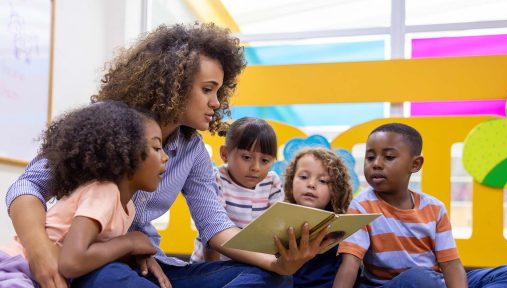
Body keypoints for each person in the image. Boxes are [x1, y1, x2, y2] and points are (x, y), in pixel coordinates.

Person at [5, 23, 331, 288]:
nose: (217, 102)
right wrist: (41, 252)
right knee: (109, 278)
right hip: (98, 262)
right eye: (207, 89)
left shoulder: (192, 149)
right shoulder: (107, 125)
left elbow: (216, 227)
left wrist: (277, 262)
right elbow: (27, 186)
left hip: (149, 262)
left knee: (275, 279)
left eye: (219, 90)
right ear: (172, 85)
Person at [0, 102, 170, 288]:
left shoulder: (127, 207)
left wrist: (133, 252)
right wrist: (130, 242)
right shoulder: (104, 192)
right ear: (123, 154)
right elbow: (72, 262)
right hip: (17, 269)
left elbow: (93, 252)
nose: (165, 157)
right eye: (156, 148)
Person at [333, 123, 507, 288]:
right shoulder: (361, 205)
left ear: (415, 164)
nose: (376, 164)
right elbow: (351, 263)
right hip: (394, 285)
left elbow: (450, 264)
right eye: (370, 157)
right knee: (419, 278)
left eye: (388, 157)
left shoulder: (435, 208)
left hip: (435, 281)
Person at [190, 117, 284, 263]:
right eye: (247, 157)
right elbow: (211, 234)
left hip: (253, 262)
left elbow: (277, 224)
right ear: (225, 154)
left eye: (265, 160)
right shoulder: (217, 179)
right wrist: (214, 273)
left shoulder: (271, 182)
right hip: (213, 263)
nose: (256, 167)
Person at [283, 147, 353, 288]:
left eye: (323, 181)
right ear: (291, 182)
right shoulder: (278, 219)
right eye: (303, 177)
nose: (311, 184)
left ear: (336, 190)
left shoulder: (343, 227)